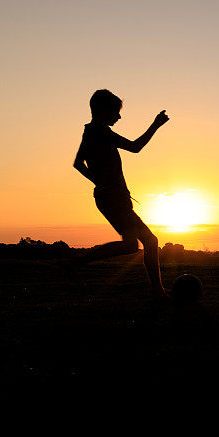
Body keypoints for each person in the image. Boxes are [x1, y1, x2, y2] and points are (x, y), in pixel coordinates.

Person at [73, 89, 170, 300]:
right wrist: (156, 124)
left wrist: (100, 182)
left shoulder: (89, 132)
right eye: (116, 112)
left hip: (110, 196)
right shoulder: (101, 132)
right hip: (113, 198)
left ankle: (158, 291)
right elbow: (135, 147)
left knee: (141, 243)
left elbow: (78, 164)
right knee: (144, 243)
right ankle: (158, 292)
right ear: (103, 110)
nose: (119, 116)